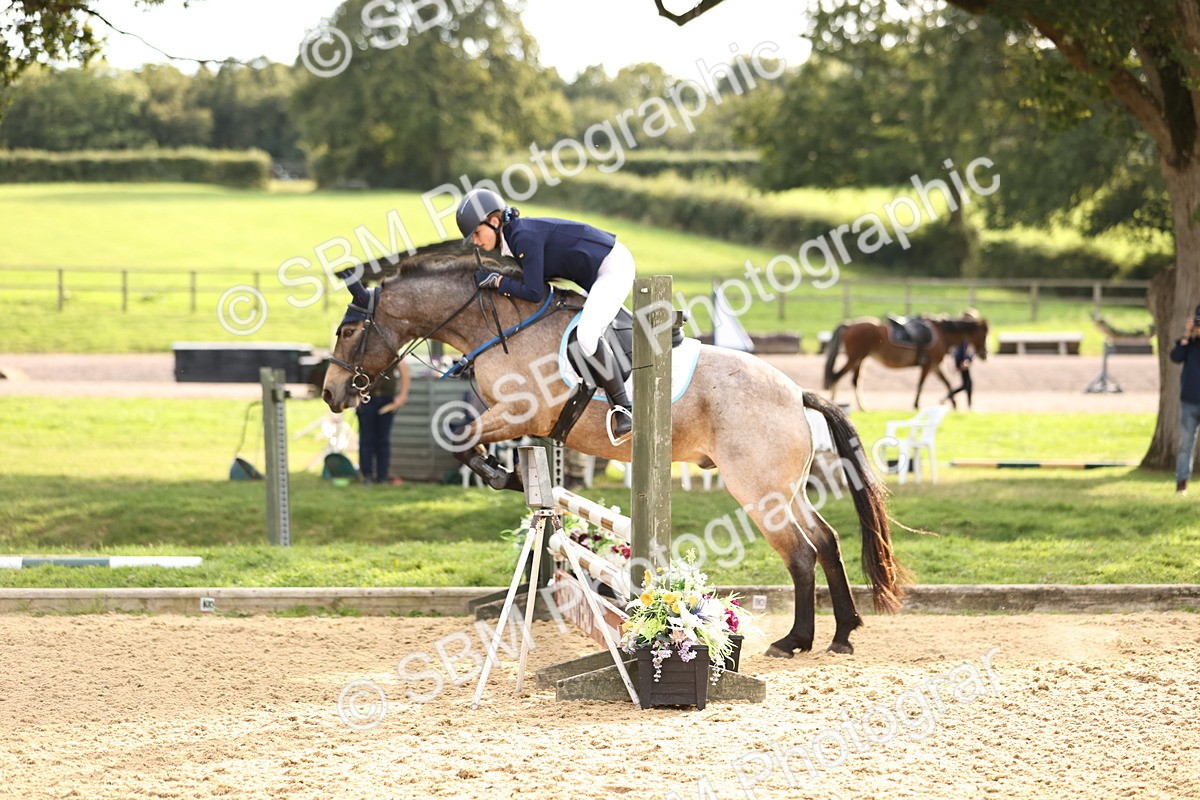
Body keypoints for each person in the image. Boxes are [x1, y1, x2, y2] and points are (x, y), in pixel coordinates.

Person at [456, 187, 635, 442]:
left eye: (476, 233)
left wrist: (497, 283)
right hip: (596, 273)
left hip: (611, 267)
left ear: (494, 222)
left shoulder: (523, 238)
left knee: (586, 335)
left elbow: (533, 292)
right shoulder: (515, 238)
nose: (476, 241)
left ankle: (622, 409)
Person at [356, 360, 411, 485]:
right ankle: (367, 475)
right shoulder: (363, 350)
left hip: (387, 400)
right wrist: (356, 395)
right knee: (366, 439)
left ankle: (382, 476)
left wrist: (402, 396)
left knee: (383, 440)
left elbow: (403, 370)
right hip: (366, 399)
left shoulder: (390, 349)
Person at [1169, 305, 1200, 494]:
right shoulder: (1188, 344)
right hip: (1189, 402)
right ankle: (1181, 484)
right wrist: (1187, 335)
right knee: (1185, 445)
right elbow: (1176, 357)